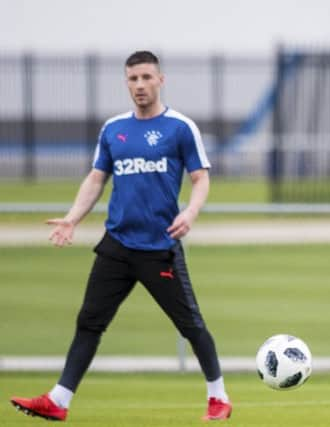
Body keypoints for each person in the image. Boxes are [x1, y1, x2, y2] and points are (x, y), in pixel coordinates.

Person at [10, 51, 232, 422]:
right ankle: (58, 401)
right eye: (133, 79)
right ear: (126, 82)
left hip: (158, 248)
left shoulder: (180, 127)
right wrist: (72, 219)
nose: (140, 85)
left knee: (190, 324)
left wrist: (190, 212)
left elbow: (200, 178)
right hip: (116, 246)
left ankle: (219, 397)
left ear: (161, 80)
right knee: (89, 322)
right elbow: (97, 178)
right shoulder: (113, 129)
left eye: (147, 77)